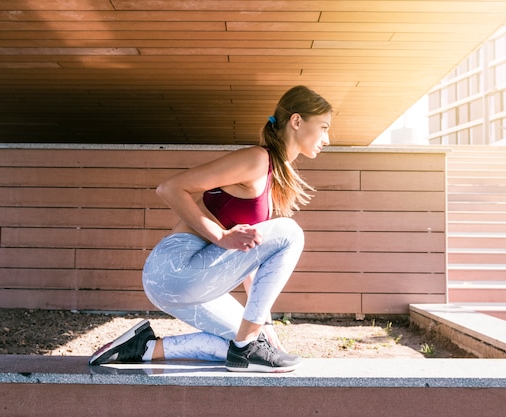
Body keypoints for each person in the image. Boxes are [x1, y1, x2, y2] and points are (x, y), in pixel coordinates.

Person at [89, 85, 332, 373]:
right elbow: (170, 188)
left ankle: (142, 348)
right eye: (324, 127)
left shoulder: (270, 175)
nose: (327, 139)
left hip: (184, 281)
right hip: (176, 267)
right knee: (291, 233)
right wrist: (221, 236)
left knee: (248, 340)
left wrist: (262, 326)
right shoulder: (257, 158)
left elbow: (250, 260)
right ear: (296, 121)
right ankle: (246, 347)